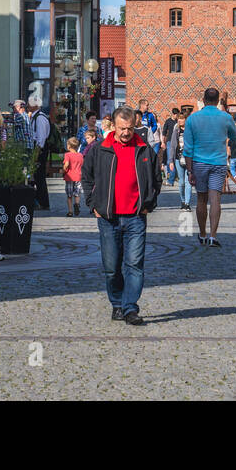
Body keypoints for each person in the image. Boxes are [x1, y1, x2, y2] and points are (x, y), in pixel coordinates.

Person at [81, 105, 160, 325]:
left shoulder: (144, 149)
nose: (126, 132)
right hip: (108, 217)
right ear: (113, 126)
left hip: (135, 216)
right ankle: (117, 303)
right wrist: (92, 204)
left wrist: (149, 204)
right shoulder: (100, 149)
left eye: (130, 128)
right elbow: (86, 178)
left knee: (134, 264)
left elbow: (156, 179)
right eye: (122, 128)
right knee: (111, 266)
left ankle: (130, 308)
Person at [182, 87, 236, 248]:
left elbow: (188, 148)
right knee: (215, 199)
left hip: (199, 163)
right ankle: (213, 236)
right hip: (218, 163)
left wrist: (189, 170)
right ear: (216, 101)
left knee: (201, 199)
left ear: (204, 99)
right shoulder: (225, 117)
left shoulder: (193, 119)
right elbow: (235, 136)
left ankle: (202, 234)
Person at [25, 98, 52, 210]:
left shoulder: (40, 118)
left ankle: (43, 202)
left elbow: (41, 139)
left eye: (29, 103)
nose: (27, 105)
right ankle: (40, 201)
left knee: (39, 177)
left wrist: (36, 154)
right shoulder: (35, 117)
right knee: (37, 177)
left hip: (39, 150)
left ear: (35, 105)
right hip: (37, 149)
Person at [62, 136, 84, 216]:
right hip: (78, 176)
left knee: (69, 195)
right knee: (77, 194)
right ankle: (77, 204)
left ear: (69, 146)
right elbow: (82, 165)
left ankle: (70, 211)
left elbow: (67, 164)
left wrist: (64, 169)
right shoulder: (80, 155)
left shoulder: (67, 154)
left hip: (69, 177)